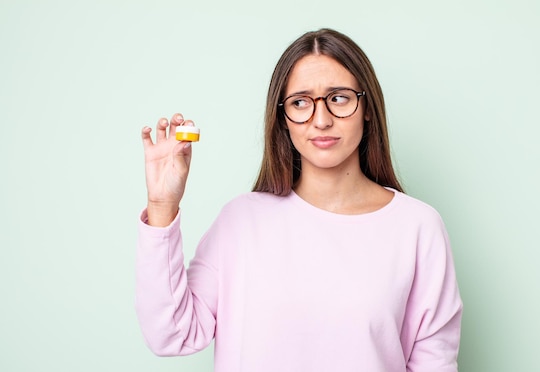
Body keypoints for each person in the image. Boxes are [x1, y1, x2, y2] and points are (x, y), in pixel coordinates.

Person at [136, 28, 462, 372]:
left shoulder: (417, 227)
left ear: (367, 107)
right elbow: (171, 334)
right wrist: (161, 206)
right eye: (300, 103)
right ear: (283, 118)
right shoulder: (240, 221)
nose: (321, 120)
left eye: (338, 98)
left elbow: (433, 364)